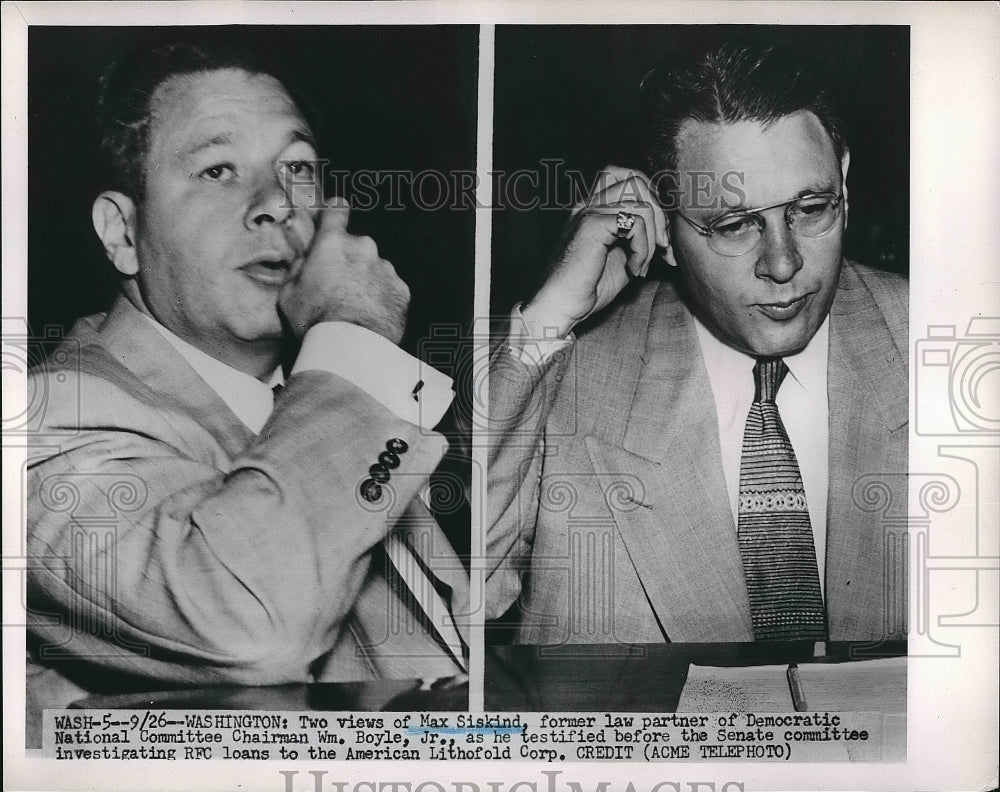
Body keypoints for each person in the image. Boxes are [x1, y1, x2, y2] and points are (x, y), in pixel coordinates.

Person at [26, 39, 470, 732]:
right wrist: (353, 333)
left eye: (297, 167)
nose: (275, 204)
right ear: (122, 232)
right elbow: (249, 623)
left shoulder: (321, 389)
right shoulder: (45, 422)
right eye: (218, 169)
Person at [487, 40, 907, 645]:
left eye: (811, 208)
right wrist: (551, 317)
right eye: (735, 225)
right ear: (663, 227)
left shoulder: (940, 344)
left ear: (843, 178)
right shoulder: (568, 371)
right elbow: (464, 582)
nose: (783, 263)